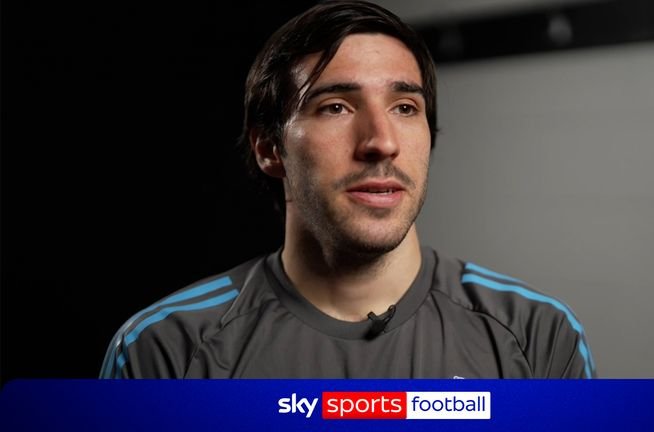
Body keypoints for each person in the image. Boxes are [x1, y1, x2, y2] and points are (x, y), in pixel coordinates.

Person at [100, 0, 596, 379]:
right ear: (270, 149)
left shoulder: (536, 335)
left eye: (405, 108)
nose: (382, 142)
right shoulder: (166, 350)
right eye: (335, 106)